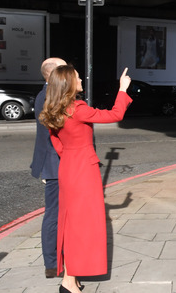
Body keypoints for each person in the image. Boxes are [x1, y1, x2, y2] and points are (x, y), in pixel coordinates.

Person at [39, 65, 132, 293]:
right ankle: (68, 282)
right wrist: (122, 89)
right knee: (81, 226)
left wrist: (72, 157)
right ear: (69, 83)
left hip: (68, 168)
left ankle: (72, 278)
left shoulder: (55, 110)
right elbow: (115, 115)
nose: (81, 79)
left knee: (71, 223)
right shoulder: (77, 109)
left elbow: (57, 143)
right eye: (77, 77)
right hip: (83, 170)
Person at [30, 57, 66, 279]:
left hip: (54, 163)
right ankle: (52, 264)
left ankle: (56, 260)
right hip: (55, 165)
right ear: (54, 74)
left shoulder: (49, 95)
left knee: (58, 213)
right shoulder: (48, 97)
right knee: (53, 214)